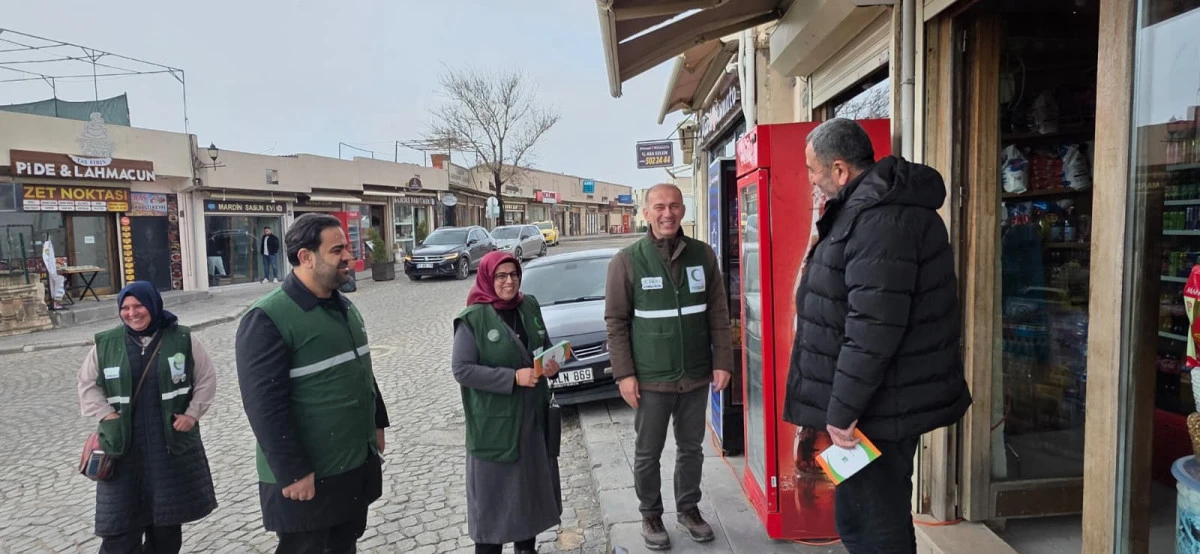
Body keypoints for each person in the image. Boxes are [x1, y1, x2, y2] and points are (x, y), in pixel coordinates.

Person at [782, 118, 972, 554]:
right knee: (872, 515)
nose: (811, 179)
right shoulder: (866, 211)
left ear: (841, 170)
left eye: (814, 170)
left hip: (879, 407)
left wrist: (843, 411)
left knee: (870, 524)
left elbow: (873, 329)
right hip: (878, 402)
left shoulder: (880, 221)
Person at [235, 213, 390, 554]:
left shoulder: (343, 307)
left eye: (347, 248)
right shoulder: (267, 319)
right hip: (308, 474)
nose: (348, 256)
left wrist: (378, 421)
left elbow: (360, 368)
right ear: (305, 257)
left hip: (351, 462)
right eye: (337, 250)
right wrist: (292, 471)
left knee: (343, 544)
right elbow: (263, 405)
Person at [604, 183, 734, 551]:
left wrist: (723, 361)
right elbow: (615, 322)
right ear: (645, 213)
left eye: (675, 206)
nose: (668, 214)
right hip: (650, 379)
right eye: (659, 206)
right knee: (648, 452)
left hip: (695, 374)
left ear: (683, 211)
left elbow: (719, 314)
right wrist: (624, 374)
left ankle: (689, 509)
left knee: (691, 448)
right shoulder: (627, 261)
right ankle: (650, 514)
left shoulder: (703, 256)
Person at [76, 281, 218, 554]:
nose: (132, 313)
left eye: (138, 305)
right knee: (118, 531)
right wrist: (105, 414)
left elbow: (206, 378)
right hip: (123, 450)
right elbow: (86, 383)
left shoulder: (183, 339)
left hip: (167, 449)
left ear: (152, 305)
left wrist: (192, 414)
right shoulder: (106, 344)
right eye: (125, 308)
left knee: (164, 530)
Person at [452, 251, 562, 554]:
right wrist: (512, 378)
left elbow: (544, 345)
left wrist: (551, 363)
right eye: (501, 275)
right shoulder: (473, 318)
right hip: (494, 430)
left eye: (513, 274)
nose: (509, 281)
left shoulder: (529, 306)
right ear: (488, 277)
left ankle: (527, 549)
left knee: (527, 503)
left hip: (532, 426)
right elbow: (462, 369)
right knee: (493, 511)